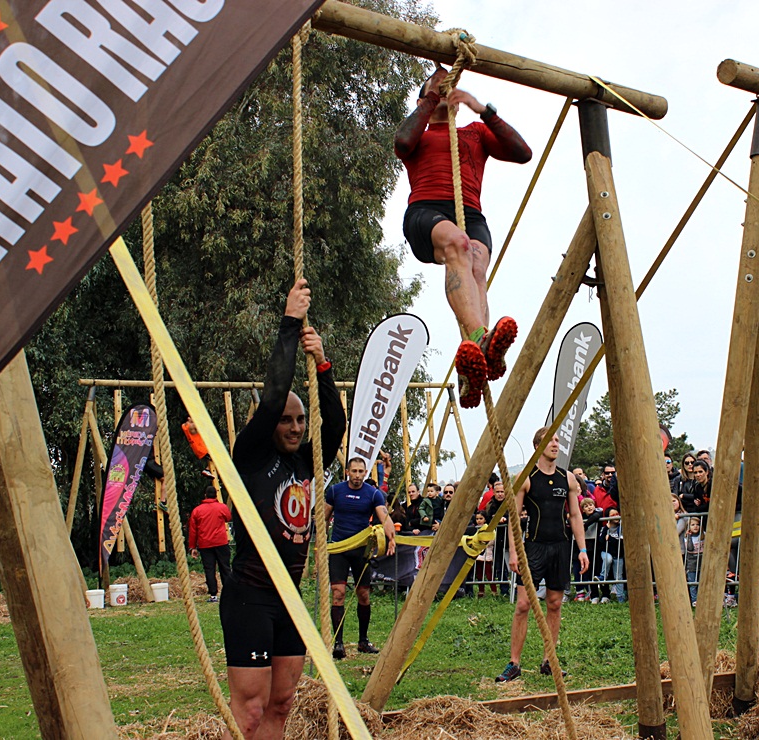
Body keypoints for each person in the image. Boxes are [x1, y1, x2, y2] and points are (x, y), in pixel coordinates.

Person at [219, 279, 345, 739]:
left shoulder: (305, 462)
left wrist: (324, 365)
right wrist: (290, 323)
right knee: (250, 713)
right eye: (286, 420)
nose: (294, 427)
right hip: (250, 596)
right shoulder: (251, 454)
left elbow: (336, 423)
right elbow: (273, 396)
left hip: (289, 600)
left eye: (299, 420)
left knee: (282, 705)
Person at [395, 65, 533, 408]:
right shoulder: (420, 135)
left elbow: (522, 153)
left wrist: (482, 109)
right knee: (457, 244)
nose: (445, 91)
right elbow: (402, 142)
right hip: (427, 211)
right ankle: (479, 337)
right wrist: (430, 98)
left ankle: (476, 363)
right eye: (436, 88)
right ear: (424, 98)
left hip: (470, 213)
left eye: (449, 88)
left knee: (475, 263)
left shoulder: (474, 133)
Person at [496, 427, 589, 682]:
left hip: (560, 546)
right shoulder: (526, 477)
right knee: (524, 604)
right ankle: (514, 663)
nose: (555, 445)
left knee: (555, 604)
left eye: (558, 440)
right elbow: (513, 519)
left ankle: (549, 660)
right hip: (534, 548)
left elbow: (575, 515)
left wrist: (582, 549)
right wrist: (515, 553)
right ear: (538, 445)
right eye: (550, 441)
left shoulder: (567, 478)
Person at [325, 457, 396, 659]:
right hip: (339, 548)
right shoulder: (335, 491)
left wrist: (391, 539)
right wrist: (318, 543)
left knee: (363, 594)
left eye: (360, 472)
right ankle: (338, 643)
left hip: (361, 550)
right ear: (347, 471)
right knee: (338, 593)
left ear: (365, 473)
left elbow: (385, 517)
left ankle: (363, 641)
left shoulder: (373, 494)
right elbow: (322, 517)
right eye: (354, 471)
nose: (357, 475)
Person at [188, 486, 232, 602]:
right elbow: (228, 517)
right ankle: (229, 593)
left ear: (205, 495)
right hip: (221, 542)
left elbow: (193, 530)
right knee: (225, 568)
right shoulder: (221, 507)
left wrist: (192, 547)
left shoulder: (197, 510)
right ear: (216, 495)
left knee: (209, 569)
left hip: (205, 544)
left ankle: (213, 595)